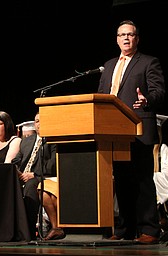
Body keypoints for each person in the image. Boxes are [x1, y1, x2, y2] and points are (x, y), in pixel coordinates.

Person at [98, 20, 165, 244]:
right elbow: (100, 96)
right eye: (122, 35)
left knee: (142, 180)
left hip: (138, 128)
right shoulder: (108, 66)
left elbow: (158, 91)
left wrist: (147, 100)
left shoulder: (148, 62)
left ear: (137, 38)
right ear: (117, 39)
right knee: (123, 180)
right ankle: (125, 228)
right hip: (114, 132)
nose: (126, 38)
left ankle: (150, 230)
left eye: (131, 34)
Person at [12, 112, 64, 241]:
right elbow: (16, 160)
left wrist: (33, 174)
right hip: (23, 175)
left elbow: (53, 165)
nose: (39, 124)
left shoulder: (53, 140)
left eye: (42, 120)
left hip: (42, 176)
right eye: (37, 121)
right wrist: (17, 172)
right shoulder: (27, 141)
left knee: (31, 186)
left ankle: (28, 231)